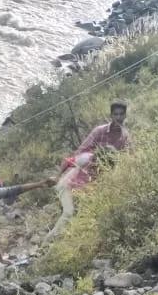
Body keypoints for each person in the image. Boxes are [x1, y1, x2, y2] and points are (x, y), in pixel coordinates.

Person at [47, 102, 132, 239]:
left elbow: (126, 158)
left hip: (95, 177)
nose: (118, 117)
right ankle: (49, 243)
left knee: (82, 213)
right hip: (77, 174)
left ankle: (67, 239)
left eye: (121, 114)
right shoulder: (100, 132)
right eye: (115, 114)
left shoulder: (125, 137)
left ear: (125, 115)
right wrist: (58, 176)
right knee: (69, 212)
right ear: (111, 115)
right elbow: (77, 155)